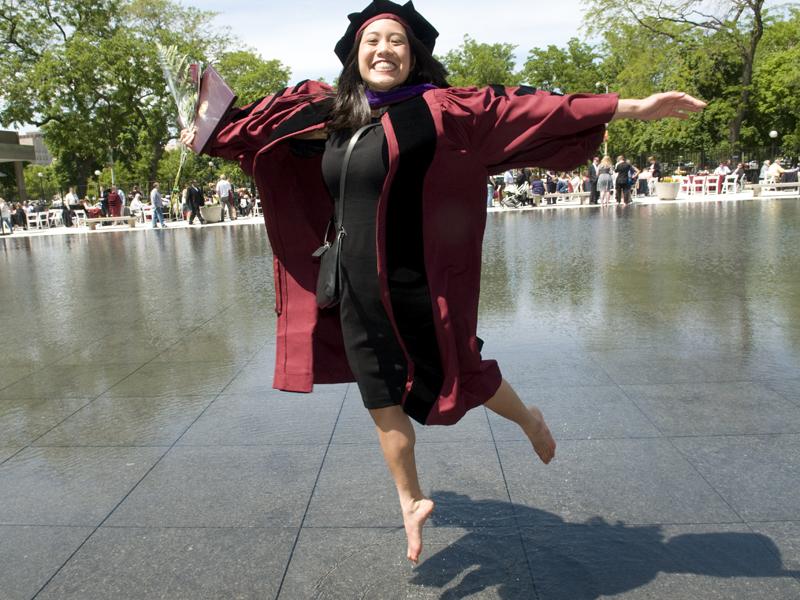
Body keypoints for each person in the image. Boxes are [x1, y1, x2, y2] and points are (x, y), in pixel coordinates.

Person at [180, 0, 705, 564]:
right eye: (372, 41)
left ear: (414, 55)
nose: (384, 49)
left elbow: (533, 110)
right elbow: (249, 131)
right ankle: (410, 502)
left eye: (397, 41)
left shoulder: (443, 111)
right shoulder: (328, 114)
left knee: (462, 369)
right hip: (353, 289)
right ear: (355, 56)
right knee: (380, 399)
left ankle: (529, 419)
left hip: (417, 283)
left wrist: (634, 108)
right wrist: (202, 119)